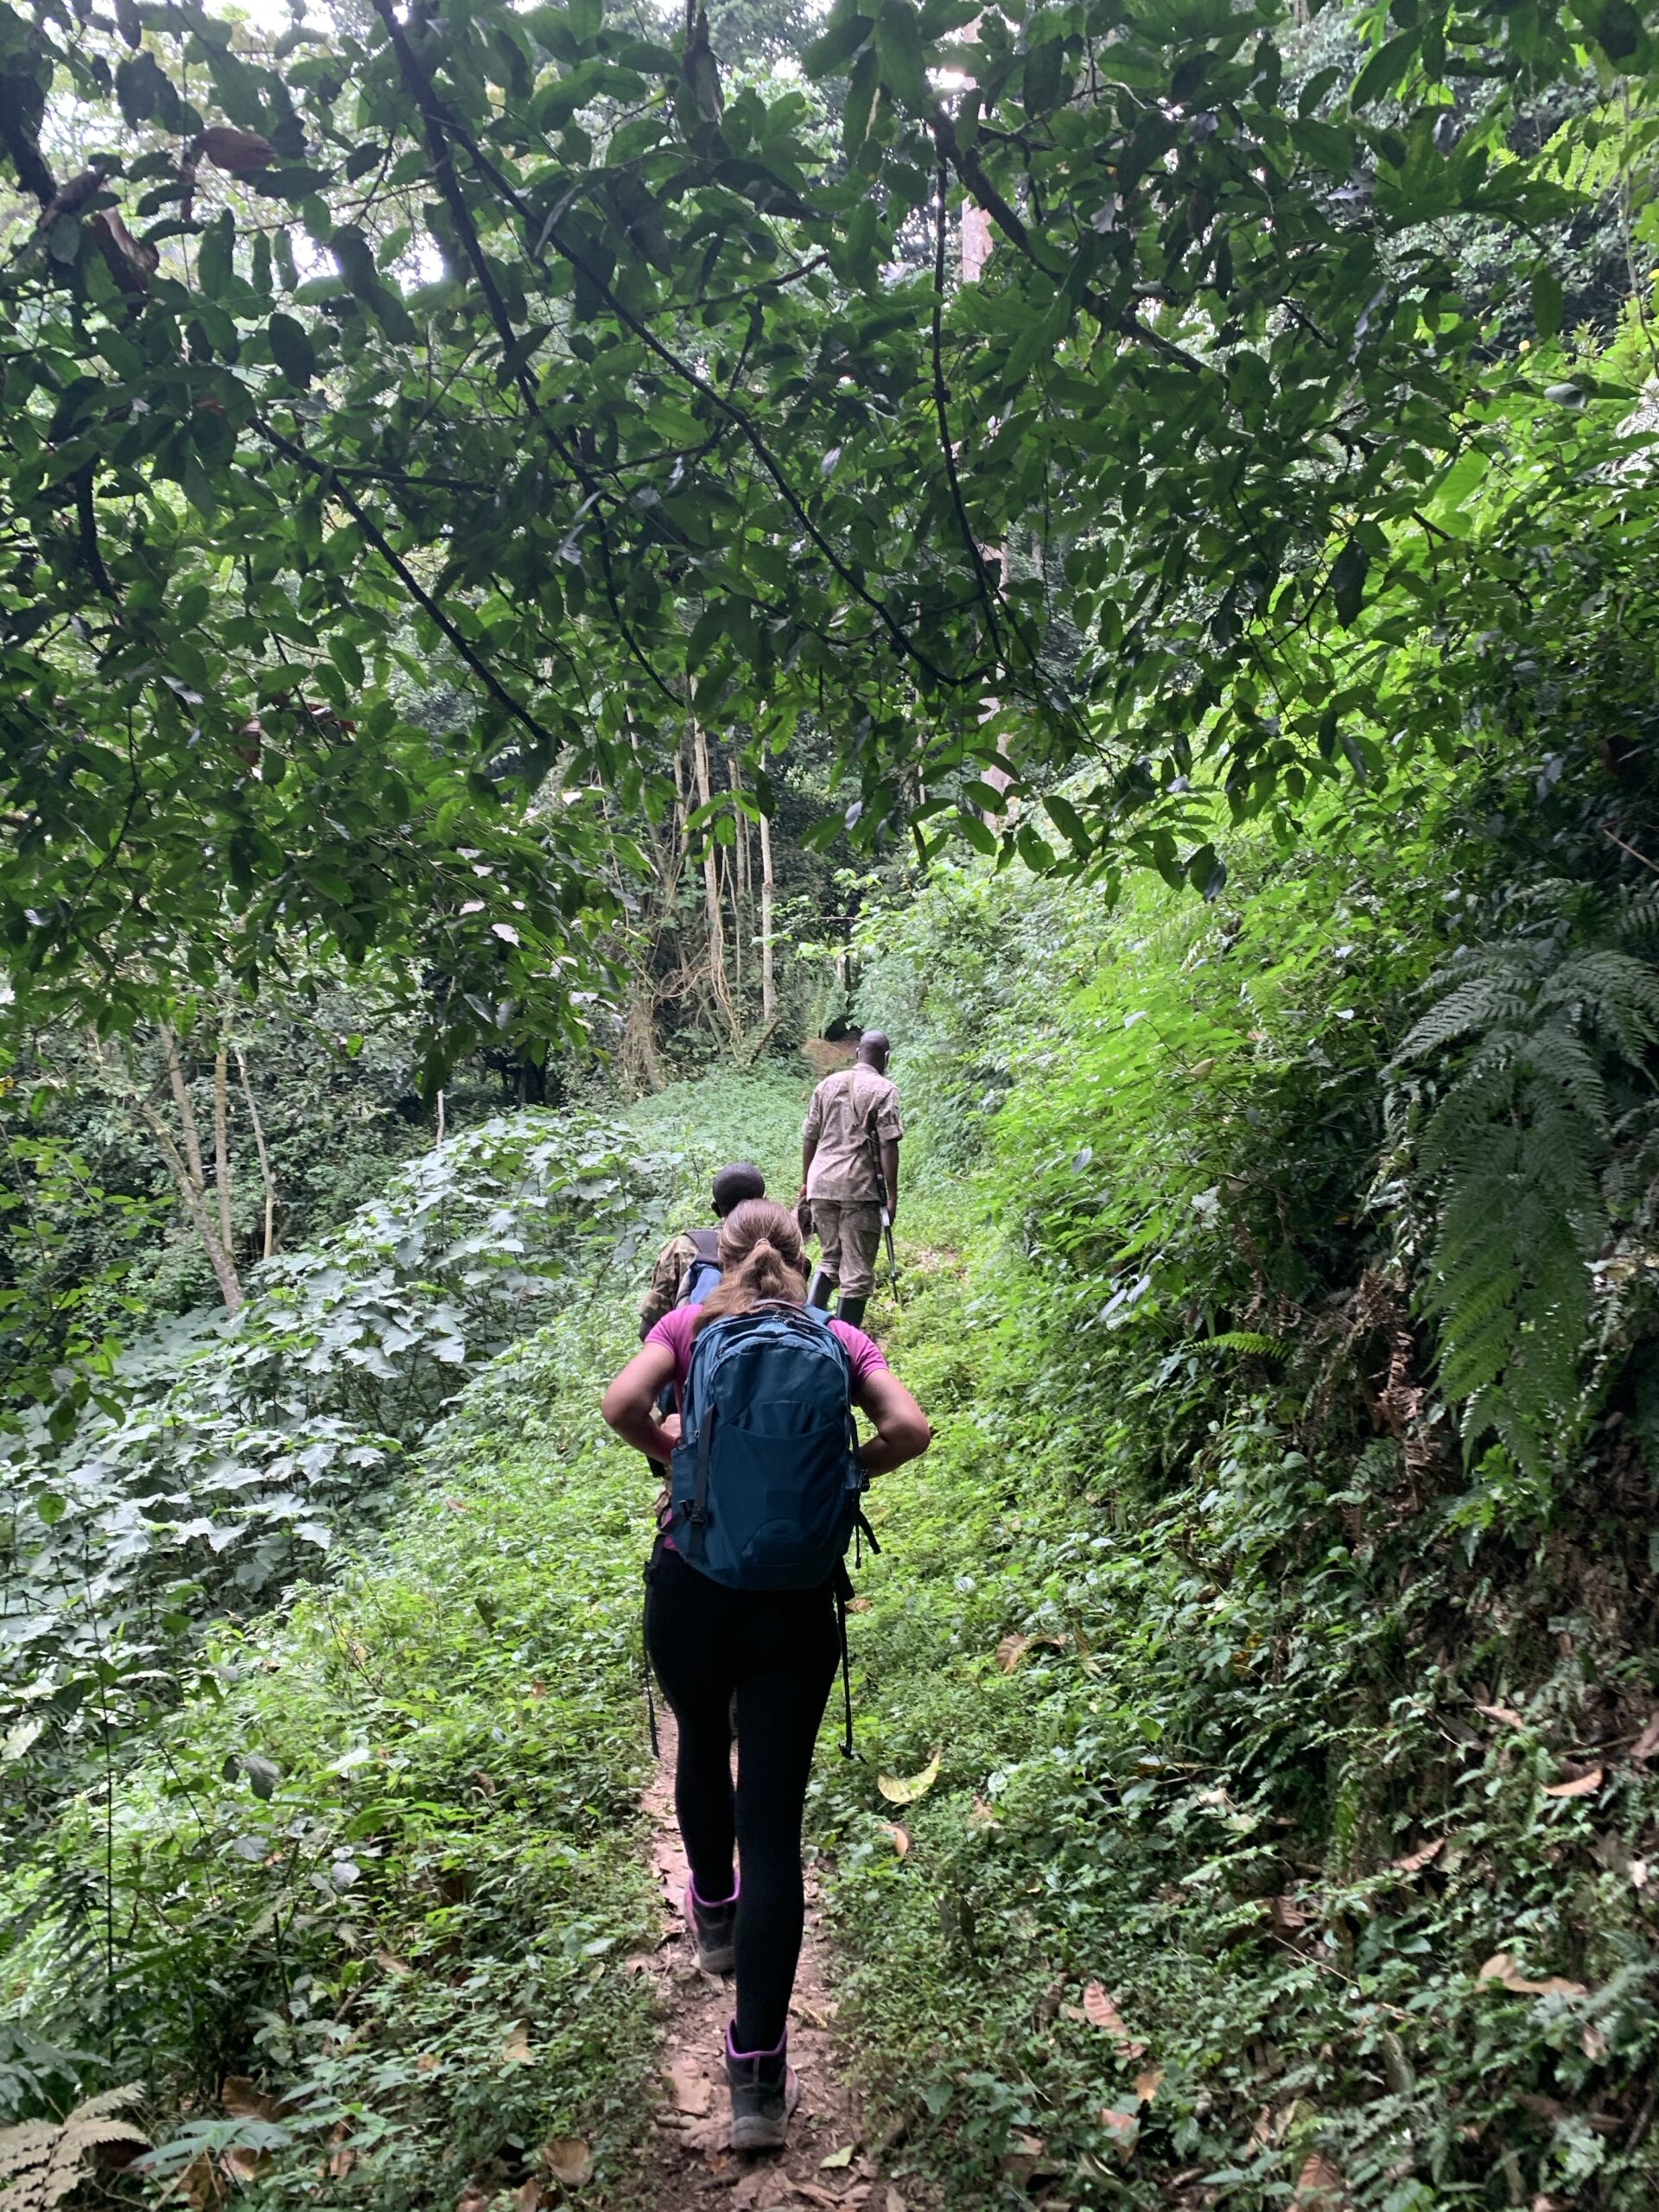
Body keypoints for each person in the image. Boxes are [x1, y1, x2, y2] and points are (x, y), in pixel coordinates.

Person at [601, 1198, 931, 2151]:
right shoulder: (838, 1335)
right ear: (801, 1257)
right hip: (795, 1602)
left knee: (704, 1740)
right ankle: (757, 2079)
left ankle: (712, 1912)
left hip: (694, 1585)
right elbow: (910, 1429)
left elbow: (621, 1406)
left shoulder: (689, 1325)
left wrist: (681, 1460)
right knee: (775, 1824)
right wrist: (847, 1475)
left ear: (725, 1257)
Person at [797, 1029, 902, 1329]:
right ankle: (846, 1349)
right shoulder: (884, 1090)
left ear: (857, 1054)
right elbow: (888, 1144)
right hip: (859, 1187)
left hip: (822, 1184)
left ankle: (806, 1331)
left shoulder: (826, 1085)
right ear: (886, 1058)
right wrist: (892, 1196)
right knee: (856, 1271)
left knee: (830, 1260)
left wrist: (806, 1182)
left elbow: (809, 1138)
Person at [638, 1161, 767, 1338]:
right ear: (764, 1203)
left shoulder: (681, 1248)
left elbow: (648, 1330)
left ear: (715, 1208)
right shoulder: (778, 1243)